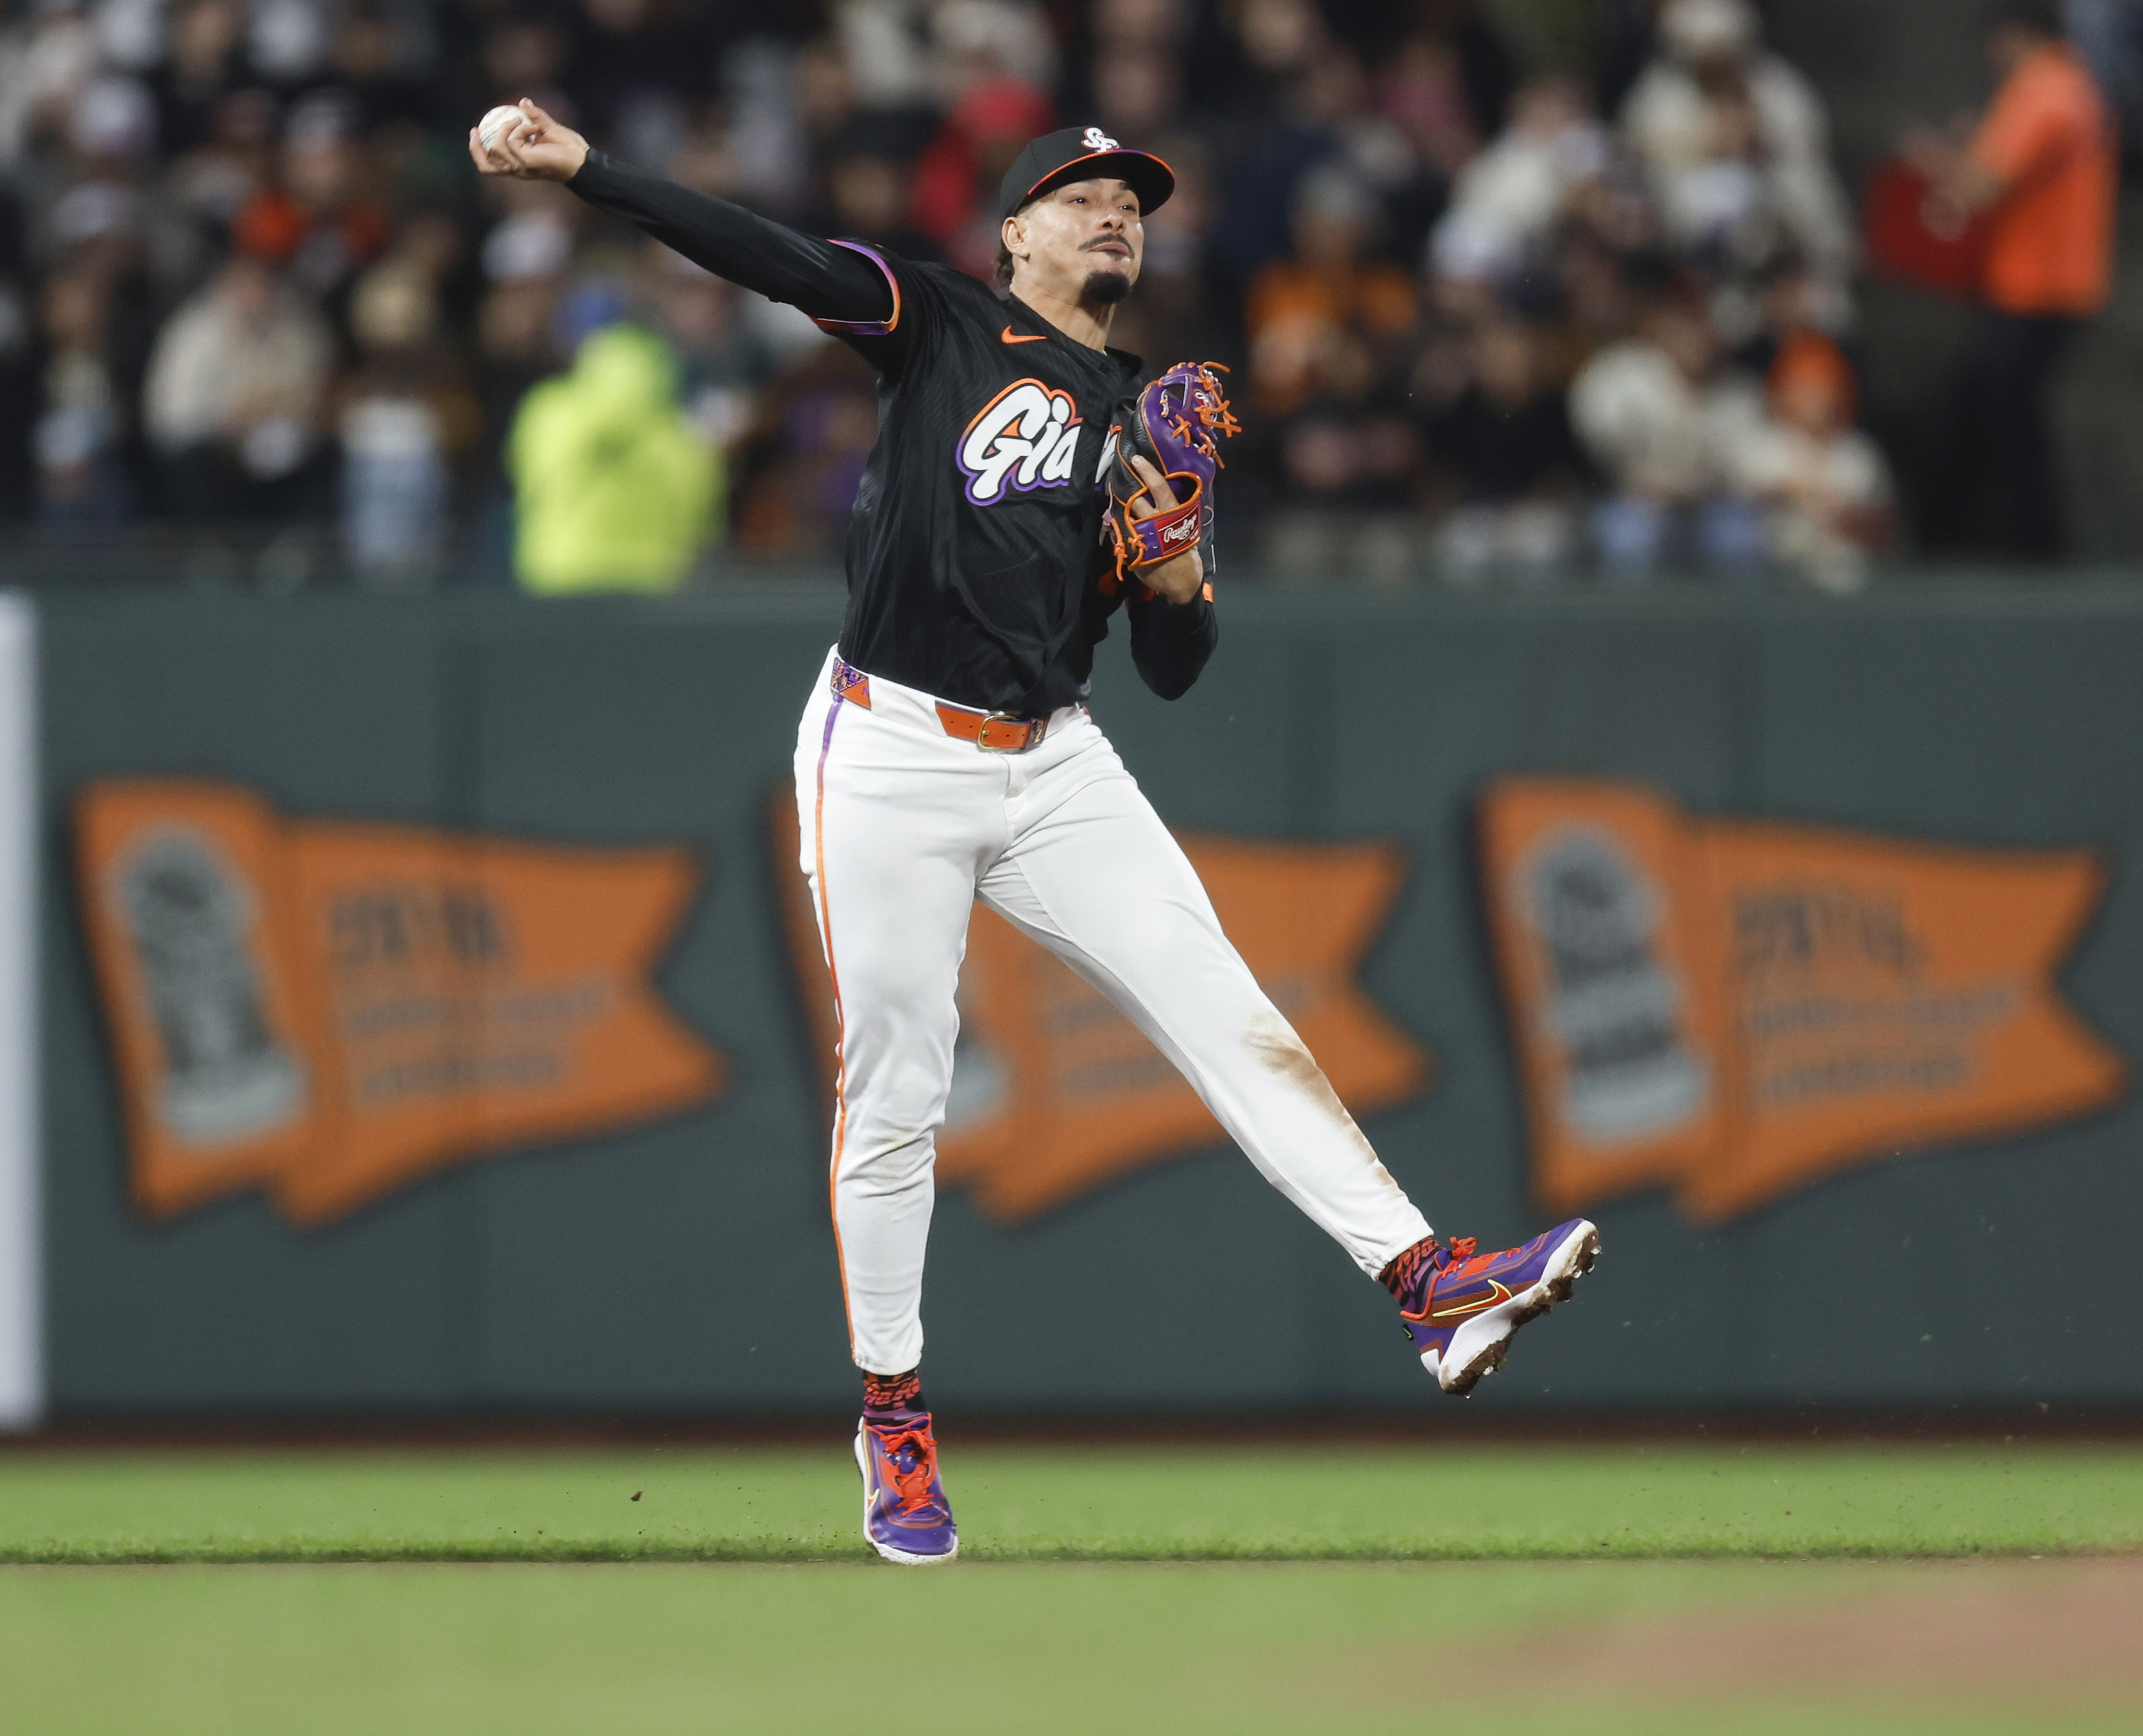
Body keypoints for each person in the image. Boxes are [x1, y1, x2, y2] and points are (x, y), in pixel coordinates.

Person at [473, 101, 1601, 1566]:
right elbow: (773, 258)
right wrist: (590, 173)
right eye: (1078, 195)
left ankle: (1427, 1280)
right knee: (894, 1090)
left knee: (1234, 1012)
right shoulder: (939, 321)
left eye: (1129, 196)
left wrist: (1184, 552)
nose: (1112, 212)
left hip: (1054, 754)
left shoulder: (1140, 422)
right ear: (1014, 233)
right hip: (889, 744)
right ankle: (894, 1419)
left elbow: (1176, 669)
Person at [1910, 0, 2116, 557]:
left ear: (2019, 34)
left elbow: (1982, 184)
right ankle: (1966, 536)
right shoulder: (2077, 85)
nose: (1989, 54)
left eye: (1995, 40)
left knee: (2006, 418)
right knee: (1994, 409)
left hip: (2034, 289)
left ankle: (2019, 546)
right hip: (2057, 286)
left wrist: (1933, 159)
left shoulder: (2044, 87)